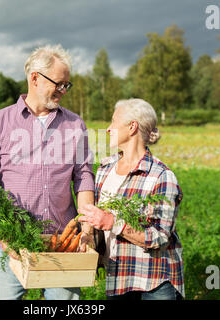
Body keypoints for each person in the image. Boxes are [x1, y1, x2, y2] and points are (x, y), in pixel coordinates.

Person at [0, 44, 95, 300]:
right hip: (11, 243)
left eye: (66, 85)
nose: (63, 90)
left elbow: (83, 176)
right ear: (35, 78)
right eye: (58, 83)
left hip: (62, 243)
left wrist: (87, 228)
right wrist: (5, 232)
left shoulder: (75, 124)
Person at [77, 98, 184, 300]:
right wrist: (89, 236)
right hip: (118, 276)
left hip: (154, 280)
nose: (108, 129)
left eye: (114, 122)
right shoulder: (105, 168)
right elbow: (98, 220)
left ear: (132, 127)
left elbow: (160, 236)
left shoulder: (161, 176)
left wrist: (112, 222)